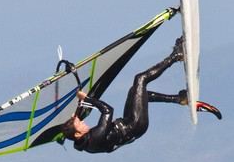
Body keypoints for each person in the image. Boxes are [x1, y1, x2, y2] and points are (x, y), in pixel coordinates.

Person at [60, 38, 221, 154]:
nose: (83, 122)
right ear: (77, 134)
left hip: (128, 123)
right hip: (135, 124)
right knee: (140, 79)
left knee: (137, 93)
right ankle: (176, 56)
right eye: (80, 124)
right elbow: (108, 110)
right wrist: (86, 99)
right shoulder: (96, 136)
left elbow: (76, 127)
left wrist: (74, 118)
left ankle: (180, 99)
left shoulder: (83, 142)